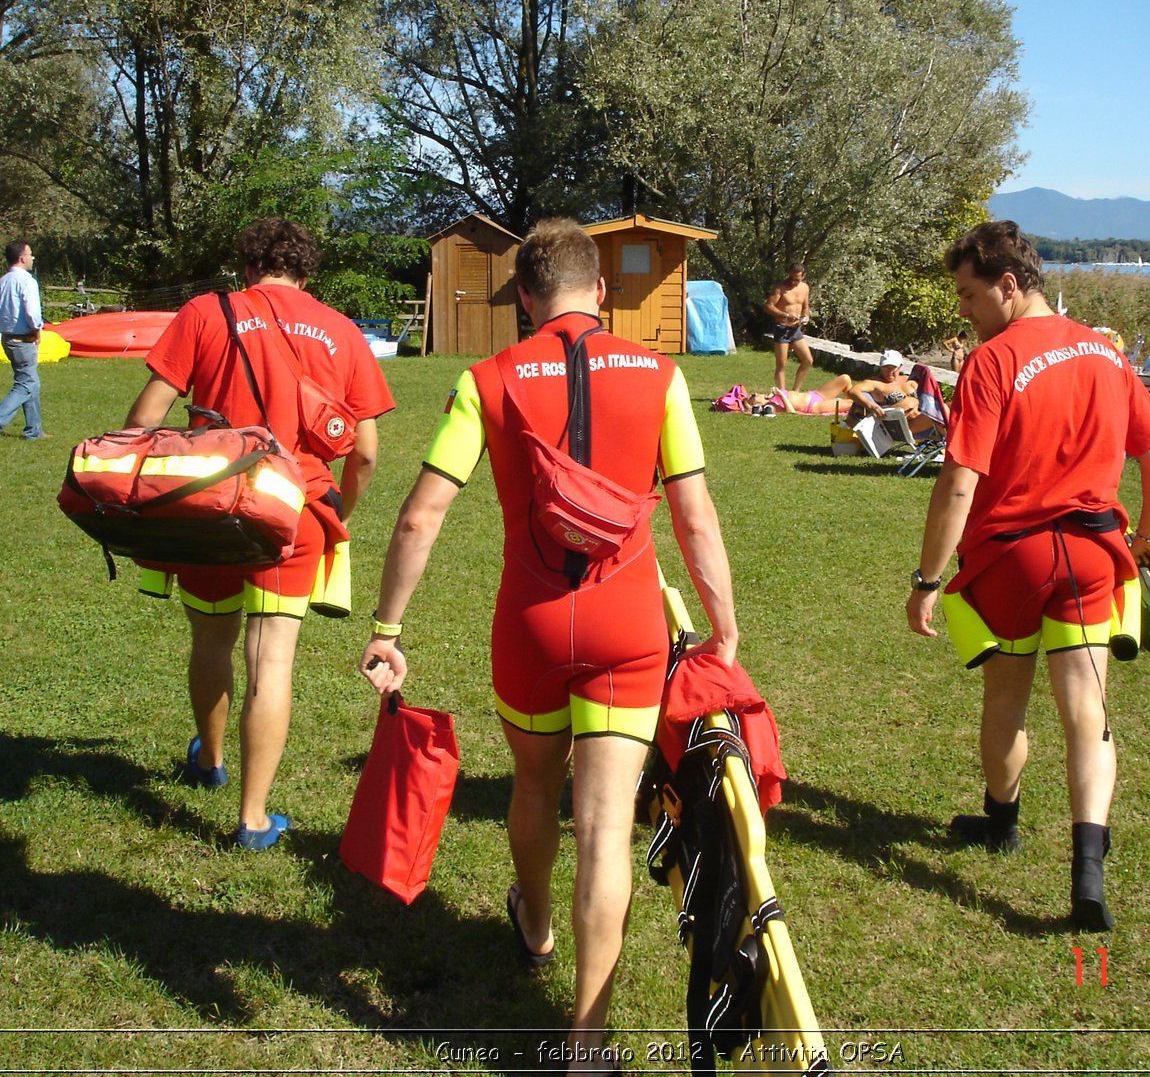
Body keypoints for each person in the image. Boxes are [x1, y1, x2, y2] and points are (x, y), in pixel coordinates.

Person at [359, 218, 738, 1072]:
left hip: (530, 625)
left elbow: (422, 513)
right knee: (604, 829)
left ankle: (533, 925)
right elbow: (695, 514)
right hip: (628, 626)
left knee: (534, 786)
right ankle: (587, 1039)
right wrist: (723, 623)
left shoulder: (485, 379)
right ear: (600, 291)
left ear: (524, 298)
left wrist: (387, 629)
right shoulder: (662, 375)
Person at [905, 221, 1150, 932]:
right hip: (1094, 554)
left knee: (1007, 700)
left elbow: (960, 481)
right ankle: (1089, 874)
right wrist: (1149, 536)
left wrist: (928, 578)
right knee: (1088, 711)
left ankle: (1002, 822)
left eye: (968, 295)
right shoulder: (1108, 353)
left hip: (1011, 558)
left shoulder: (993, 362)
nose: (963, 310)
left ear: (1007, 284)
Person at [125, 217, 394, 850]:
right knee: (270, 660)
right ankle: (252, 819)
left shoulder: (204, 312)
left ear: (247, 267)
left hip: (211, 509)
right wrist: (339, 516)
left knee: (211, 640)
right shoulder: (340, 330)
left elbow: (144, 417)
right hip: (295, 510)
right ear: (308, 272)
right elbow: (367, 453)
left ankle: (210, 760)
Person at [0, 240, 47, 443]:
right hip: (23, 339)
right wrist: (36, 331)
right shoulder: (27, 281)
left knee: (30, 382)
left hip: (7, 339)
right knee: (26, 384)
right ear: (22, 258)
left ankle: (34, 430)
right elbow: (32, 313)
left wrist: (6, 326)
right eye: (31, 254)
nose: (33, 258)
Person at [764, 262, 813, 390]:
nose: (792, 282)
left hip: (795, 329)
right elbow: (768, 306)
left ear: (803, 276)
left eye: (796, 280)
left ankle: (795, 391)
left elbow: (806, 307)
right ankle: (782, 394)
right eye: (791, 278)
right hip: (782, 328)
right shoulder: (780, 287)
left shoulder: (805, 288)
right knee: (781, 365)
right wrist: (785, 315)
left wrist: (806, 317)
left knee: (808, 360)